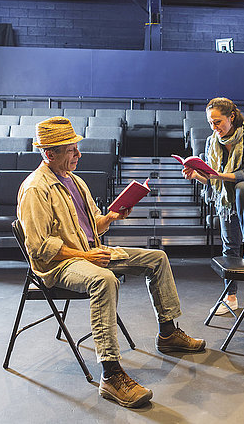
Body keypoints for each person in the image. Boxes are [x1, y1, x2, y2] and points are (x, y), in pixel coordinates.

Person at [17, 116, 206, 408]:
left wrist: (112, 217)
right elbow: (40, 247)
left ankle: (168, 332)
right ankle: (111, 374)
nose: (78, 154)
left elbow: (93, 225)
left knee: (157, 258)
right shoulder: (35, 189)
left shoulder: (74, 181)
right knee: (104, 280)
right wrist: (85, 255)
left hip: (89, 251)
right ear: (49, 153)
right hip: (60, 265)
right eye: (71, 150)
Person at [182, 97, 244, 316]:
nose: (214, 128)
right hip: (227, 197)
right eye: (210, 123)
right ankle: (230, 297)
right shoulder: (211, 141)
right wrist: (196, 175)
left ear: (231, 116)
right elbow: (213, 181)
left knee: (242, 186)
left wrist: (216, 175)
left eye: (218, 122)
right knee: (228, 247)